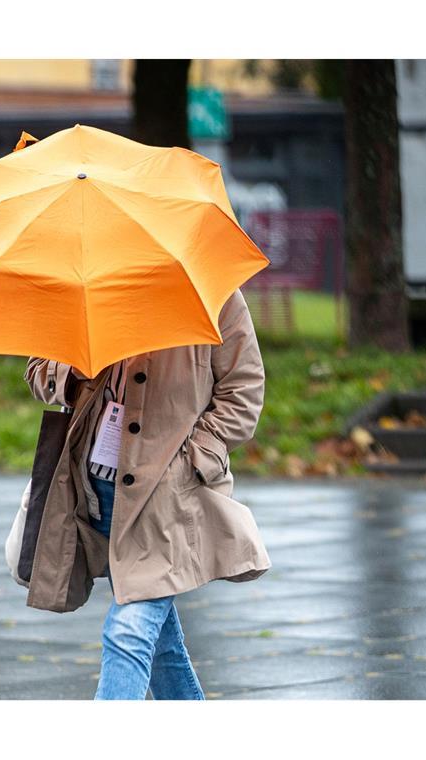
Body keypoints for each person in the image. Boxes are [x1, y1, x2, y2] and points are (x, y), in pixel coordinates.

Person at [24, 289, 270, 699]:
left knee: (128, 631)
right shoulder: (86, 285)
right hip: (94, 488)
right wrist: (79, 367)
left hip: (167, 497)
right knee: (161, 647)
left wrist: (193, 460)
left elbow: (243, 392)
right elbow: (38, 372)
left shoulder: (211, 292)